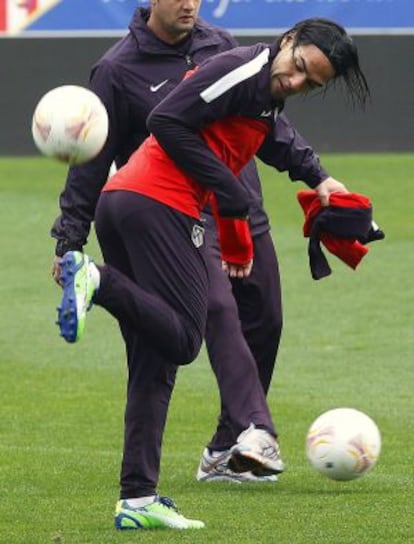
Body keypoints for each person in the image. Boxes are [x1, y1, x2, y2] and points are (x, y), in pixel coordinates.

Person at [54, 15, 370, 530]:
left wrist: (317, 181)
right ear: (287, 41)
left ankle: (137, 499)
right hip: (157, 204)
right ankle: (98, 279)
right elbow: (166, 120)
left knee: (154, 361)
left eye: (310, 83)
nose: (295, 82)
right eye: (297, 68)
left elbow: (252, 150)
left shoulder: (263, 93)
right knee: (183, 339)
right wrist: (229, 192)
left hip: (137, 203)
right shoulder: (244, 67)